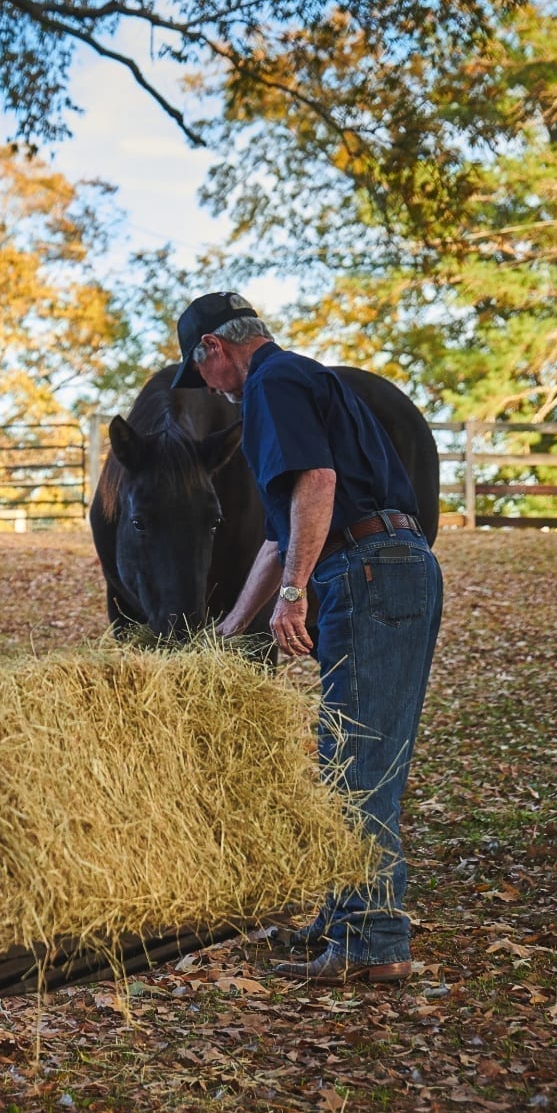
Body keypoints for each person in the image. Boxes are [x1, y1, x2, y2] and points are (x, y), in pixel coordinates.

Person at [184, 293, 442, 985]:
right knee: (344, 754)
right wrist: (230, 631)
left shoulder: (271, 382)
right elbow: (281, 532)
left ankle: (374, 937)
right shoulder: (306, 378)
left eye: (198, 368)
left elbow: (317, 484)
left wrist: (295, 593)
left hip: (369, 571)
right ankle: (342, 919)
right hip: (382, 569)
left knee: (361, 761)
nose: (207, 388)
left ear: (213, 348)